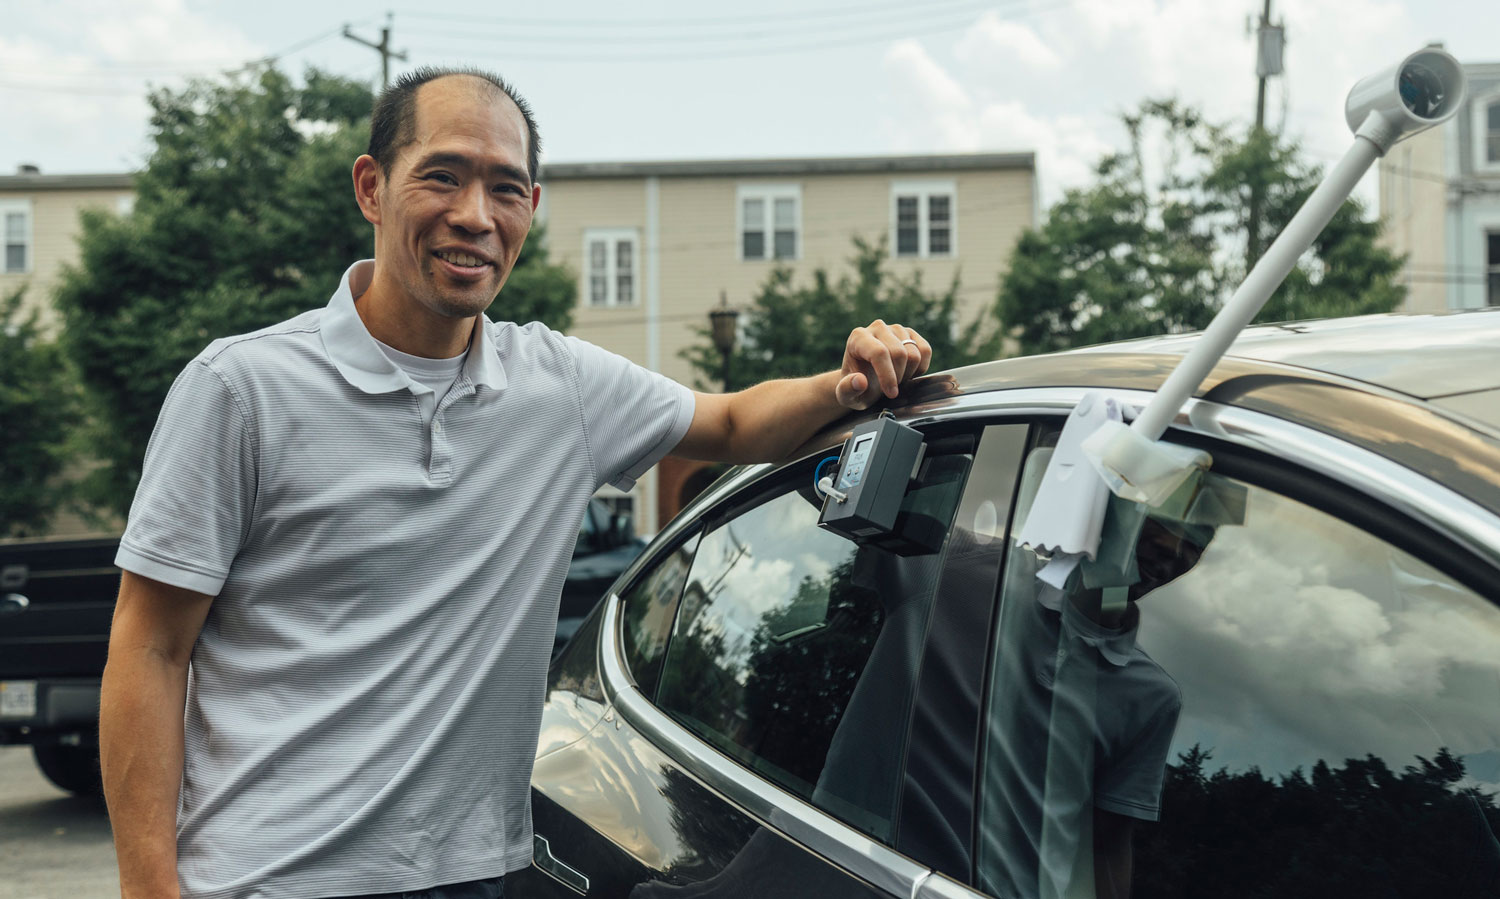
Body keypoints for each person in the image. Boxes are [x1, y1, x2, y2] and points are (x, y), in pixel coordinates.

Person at [97, 66, 933, 899]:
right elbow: (151, 646)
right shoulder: (240, 389)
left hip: (477, 874)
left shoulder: (559, 388)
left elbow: (732, 424)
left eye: (505, 188)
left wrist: (850, 381)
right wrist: (147, 884)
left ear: (530, 210)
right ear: (371, 187)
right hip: (267, 878)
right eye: (443, 176)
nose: (475, 216)